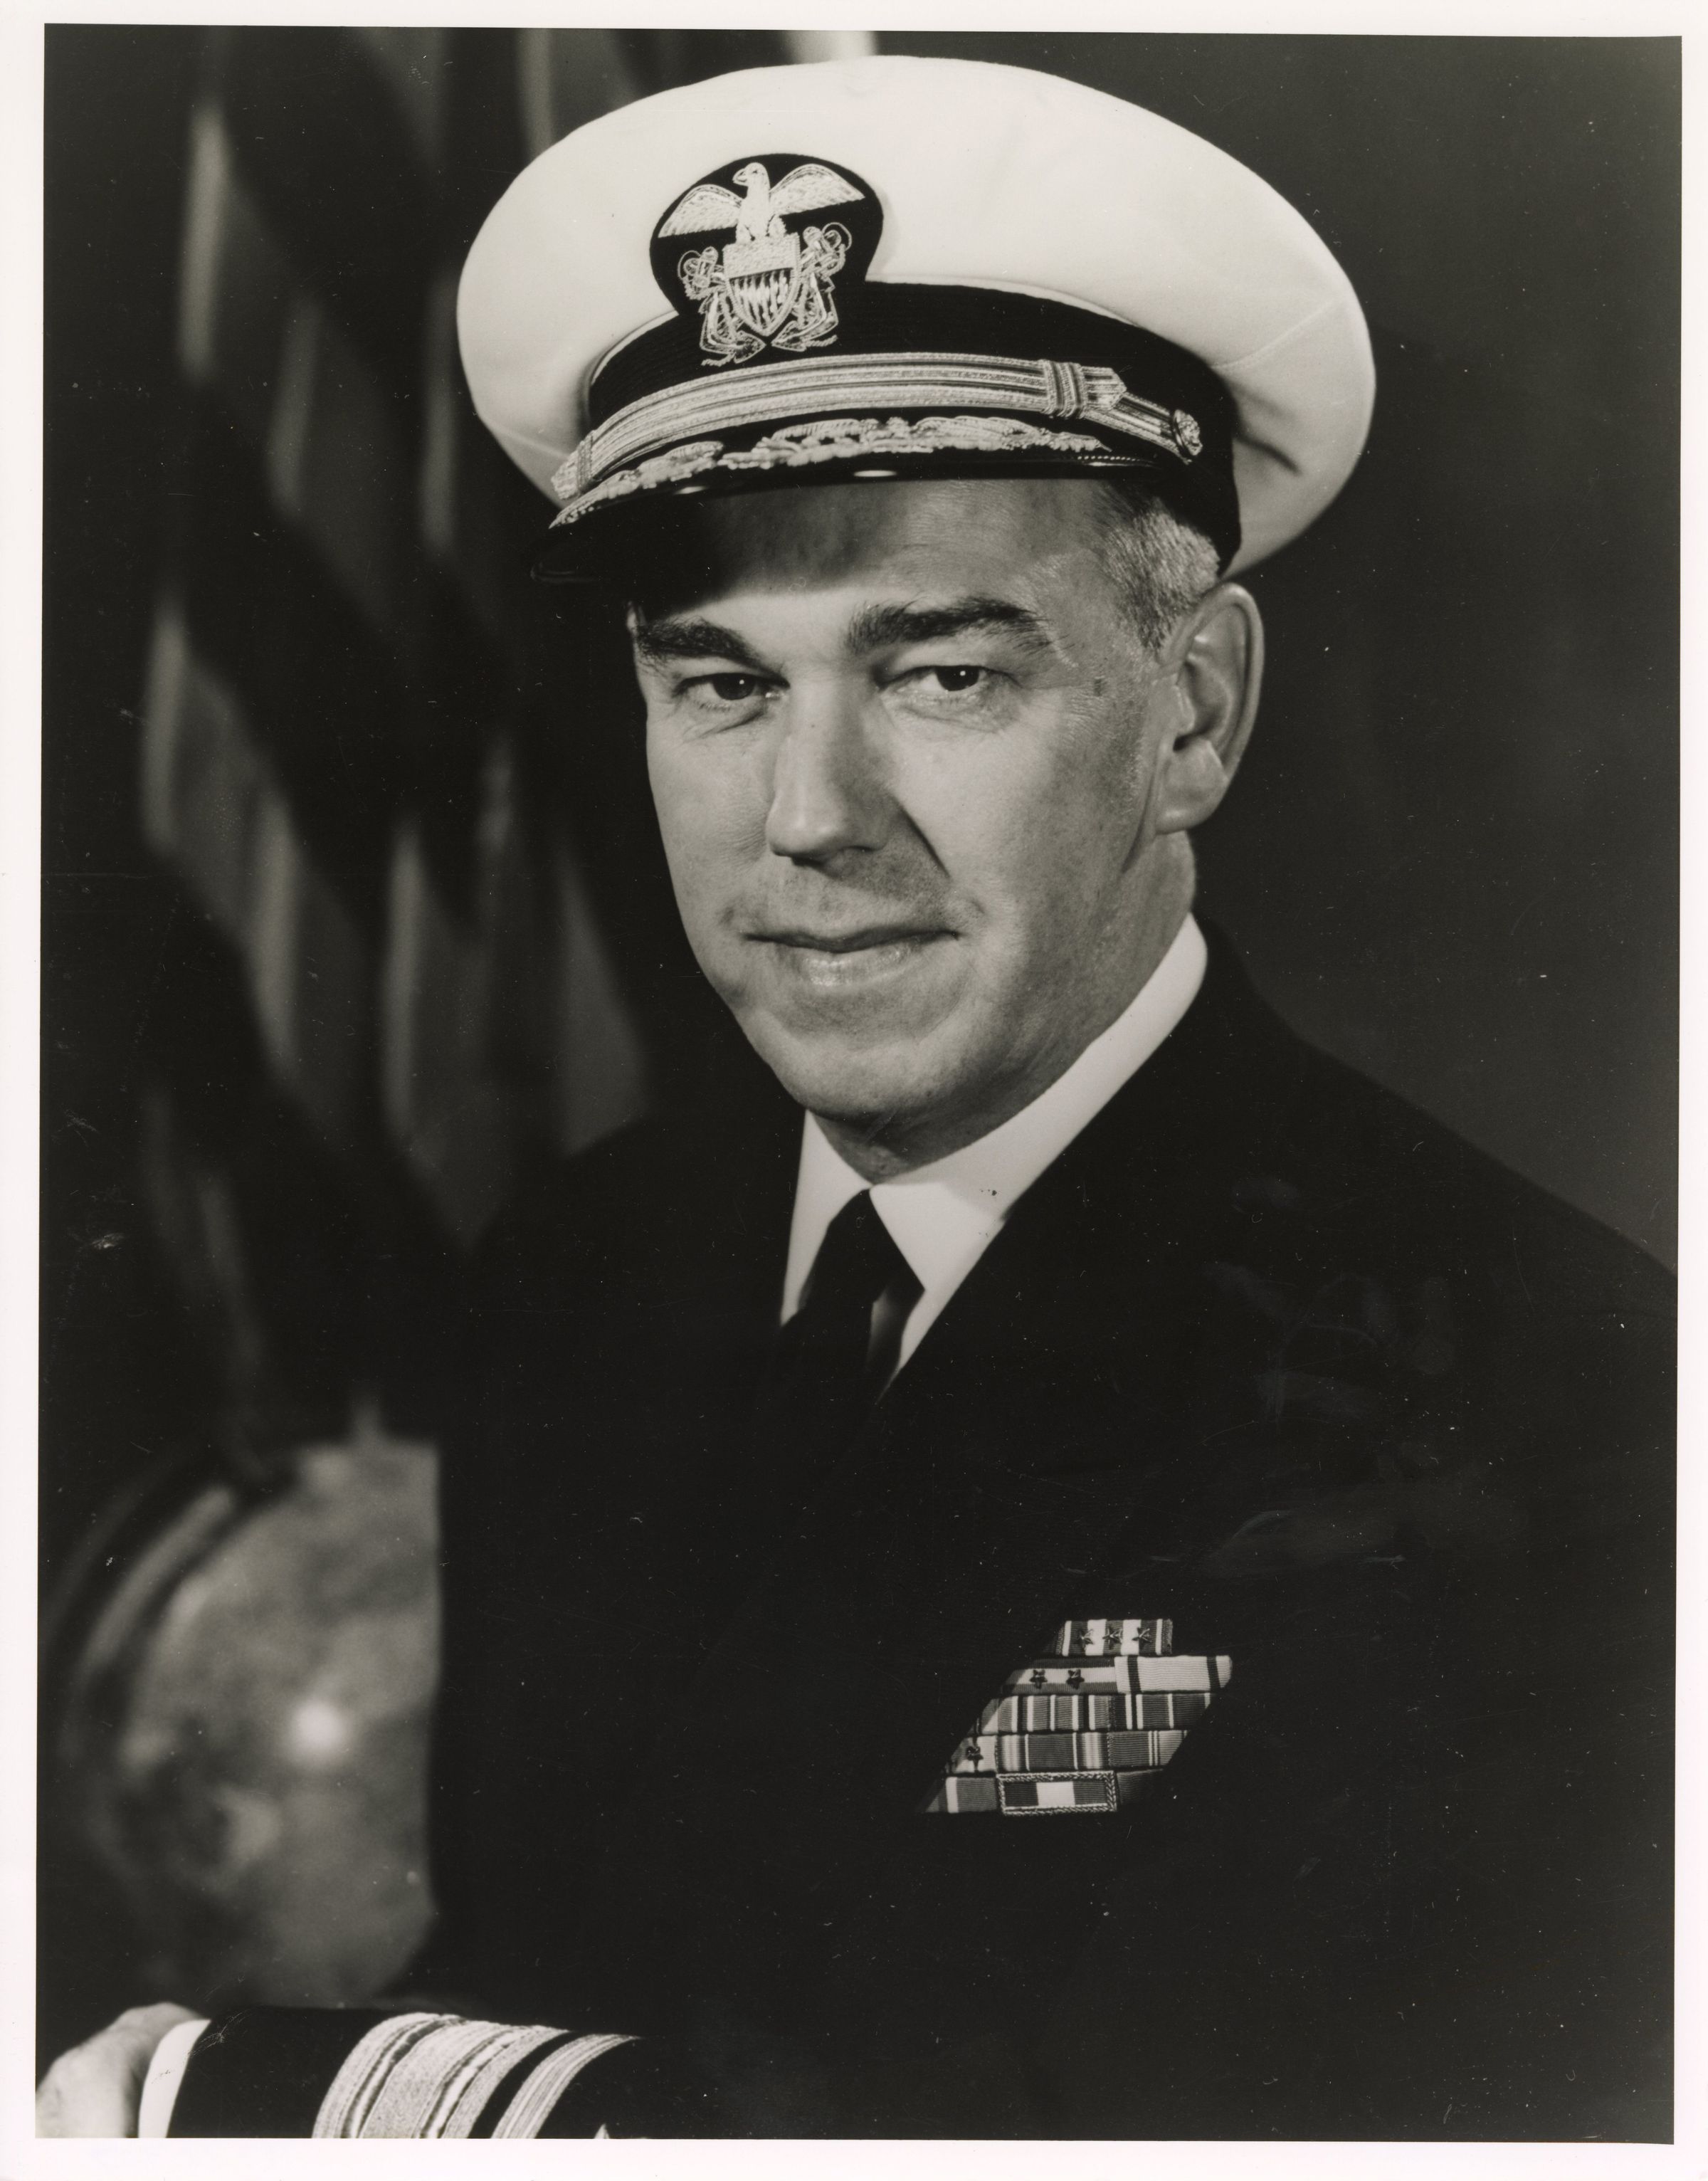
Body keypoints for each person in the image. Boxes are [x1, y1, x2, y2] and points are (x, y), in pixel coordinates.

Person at [38, 53, 1672, 2140]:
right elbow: (544, 1963)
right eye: (722, 683)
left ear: (1193, 714)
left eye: (942, 672)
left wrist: (254, 2102)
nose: (808, 816)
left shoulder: (1538, 1394)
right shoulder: (582, 1267)